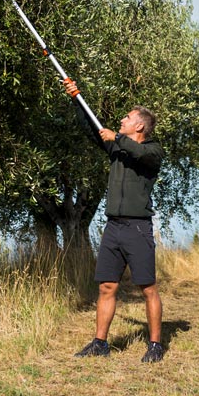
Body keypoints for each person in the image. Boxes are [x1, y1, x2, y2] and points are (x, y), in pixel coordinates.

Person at [63, 78, 167, 363]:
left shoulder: (153, 151)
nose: (122, 120)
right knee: (106, 287)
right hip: (113, 228)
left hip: (137, 228)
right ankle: (100, 343)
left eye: (128, 118)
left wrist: (117, 138)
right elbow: (94, 131)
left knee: (148, 288)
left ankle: (155, 345)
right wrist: (76, 98)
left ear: (140, 126)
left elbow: (140, 153)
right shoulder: (118, 148)